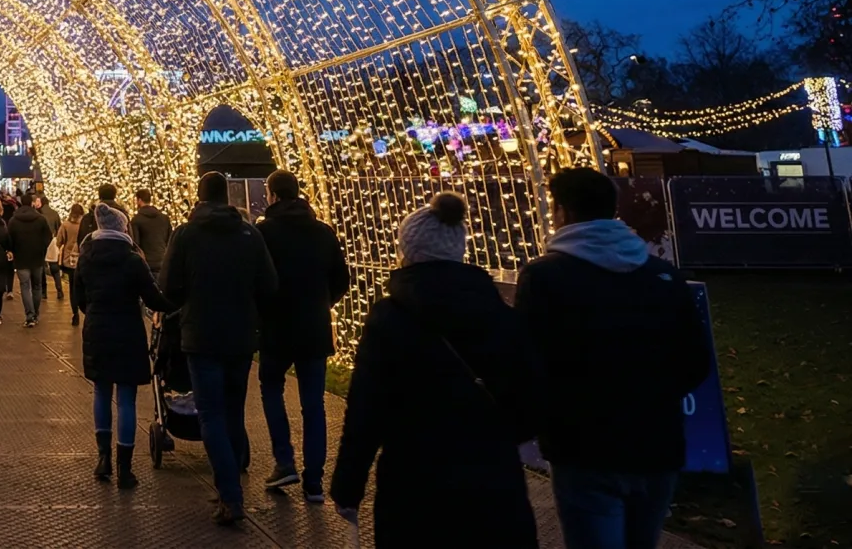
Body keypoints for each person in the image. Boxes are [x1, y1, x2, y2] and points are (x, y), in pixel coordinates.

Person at [331, 192, 542, 548]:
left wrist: (348, 485)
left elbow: (366, 412)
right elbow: (530, 398)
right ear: (458, 248)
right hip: (494, 481)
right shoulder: (500, 313)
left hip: (413, 482)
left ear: (408, 251)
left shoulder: (389, 317)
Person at [516, 167, 710, 549]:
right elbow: (694, 361)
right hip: (657, 445)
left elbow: (528, 361)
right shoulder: (662, 275)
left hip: (584, 449)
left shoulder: (545, 277)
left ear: (562, 212)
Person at [159, 171, 278, 525]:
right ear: (226, 196)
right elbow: (269, 286)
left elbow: (168, 288)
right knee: (234, 409)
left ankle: (230, 494)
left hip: (201, 336)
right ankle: (232, 482)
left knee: (210, 414)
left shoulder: (186, 234)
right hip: (241, 337)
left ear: (199, 196)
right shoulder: (249, 234)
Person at [253, 170, 350, 503]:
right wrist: (321, 304)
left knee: (271, 389)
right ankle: (315, 481)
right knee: (314, 405)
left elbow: (256, 280)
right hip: (313, 328)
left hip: (276, 328)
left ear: (274, 195)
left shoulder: (263, 232)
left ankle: (284, 461)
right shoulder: (323, 232)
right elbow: (342, 278)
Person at [77, 202, 172, 490]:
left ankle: (103, 459)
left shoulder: (86, 257)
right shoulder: (133, 259)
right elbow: (153, 298)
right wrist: (173, 306)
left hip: (97, 329)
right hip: (128, 331)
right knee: (127, 399)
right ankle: (125, 469)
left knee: (102, 392)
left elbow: (80, 299)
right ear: (122, 228)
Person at [8, 193, 54, 327]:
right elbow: (48, 236)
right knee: (37, 285)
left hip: (21, 257)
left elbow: (9, 239)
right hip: (37, 257)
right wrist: (42, 248)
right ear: (32, 203)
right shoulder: (40, 219)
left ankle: (29, 315)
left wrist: (13, 250)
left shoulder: (14, 220)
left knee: (25, 286)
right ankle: (36, 313)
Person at [128, 189, 172, 279]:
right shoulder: (164, 218)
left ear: (139, 200)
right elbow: (170, 240)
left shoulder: (137, 220)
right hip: (162, 262)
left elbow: (136, 244)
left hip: (146, 264)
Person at [56, 202, 84, 324]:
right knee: (82, 285)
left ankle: (75, 313)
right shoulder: (84, 226)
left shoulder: (66, 225)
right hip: (82, 259)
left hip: (69, 261)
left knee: (72, 286)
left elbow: (59, 241)